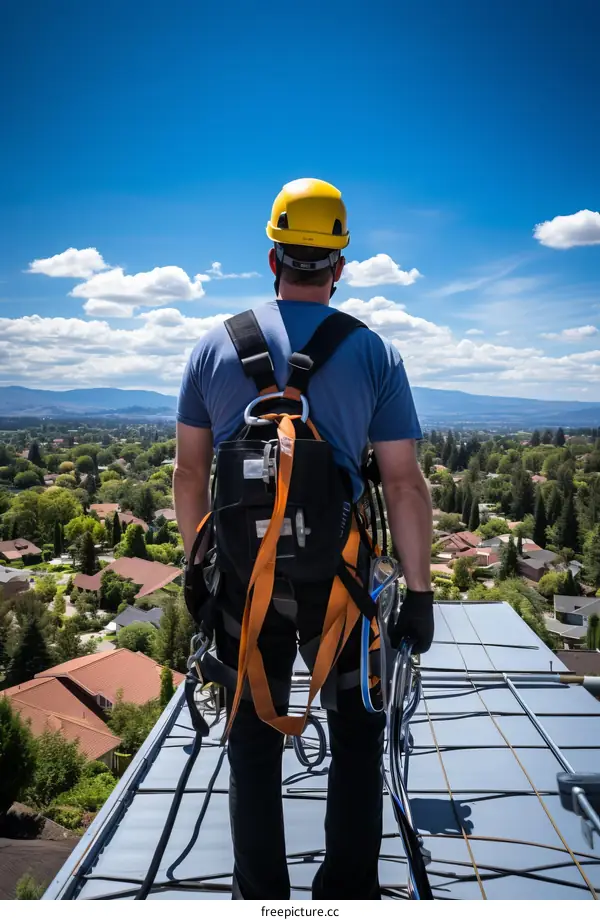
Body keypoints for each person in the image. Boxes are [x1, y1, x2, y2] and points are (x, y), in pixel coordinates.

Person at [174, 178, 434, 900]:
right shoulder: (373, 352)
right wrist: (419, 592)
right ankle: (347, 894)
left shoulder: (213, 347)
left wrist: (198, 568)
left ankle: (259, 897)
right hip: (342, 585)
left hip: (244, 583)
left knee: (252, 742)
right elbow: (404, 484)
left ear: (272, 258)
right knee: (354, 736)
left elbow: (190, 474)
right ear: (340, 265)